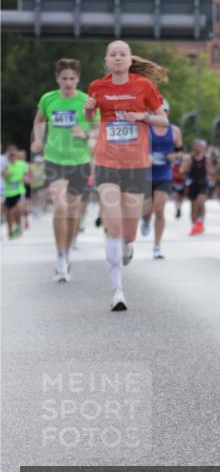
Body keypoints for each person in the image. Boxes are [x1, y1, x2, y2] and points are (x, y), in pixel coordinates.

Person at [85, 41, 168, 311]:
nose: (118, 58)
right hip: (106, 162)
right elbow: (90, 120)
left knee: (129, 234)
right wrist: (88, 109)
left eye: (123, 54)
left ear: (130, 60)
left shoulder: (144, 86)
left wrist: (142, 116)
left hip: (136, 164)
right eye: (113, 54)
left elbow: (163, 121)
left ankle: (127, 245)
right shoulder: (97, 87)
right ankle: (117, 291)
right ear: (107, 61)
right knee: (114, 226)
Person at [32, 58, 95, 281]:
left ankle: (67, 252)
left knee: (73, 211)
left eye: (72, 78)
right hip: (54, 159)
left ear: (78, 79)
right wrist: (37, 140)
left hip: (79, 160)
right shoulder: (48, 99)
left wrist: (84, 134)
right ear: (57, 79)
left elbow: (97, 131)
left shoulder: (86, 101)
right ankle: (60, 256)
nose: (68, 82)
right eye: (64, 78)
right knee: (60, 206)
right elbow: (39, 120)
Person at [140, 100, 183, 258]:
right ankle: (145, 221)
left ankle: (157, 247)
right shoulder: (145, 129)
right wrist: (146, 157)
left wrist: (174, 156)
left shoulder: (175, 131)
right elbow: (136, 149)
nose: (161, 113)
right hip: (146, 175)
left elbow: (180, 152)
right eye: (158, 110)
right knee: (146, 210)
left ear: (168, 112)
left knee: (159, 209)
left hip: (164, 174)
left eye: (164, 110)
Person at [180, 139, 212, 236]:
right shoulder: (189, 158)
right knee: (193, 207)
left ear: (202, 148)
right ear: (193, 147)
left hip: (202, 183)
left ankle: (200, 221)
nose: (197, 148)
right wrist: (185, 168)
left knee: (200, 202)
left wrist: (211, 177)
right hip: (192, 184)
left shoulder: (206, 158)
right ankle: (194, 225)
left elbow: (210, 170)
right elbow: (182, 170)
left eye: (199, 146)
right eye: (195, 146)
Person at [3, 145, 29, 239]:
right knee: (9, 212)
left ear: (17, 155)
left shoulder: (22, 164)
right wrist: (5, 173)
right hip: (9, 192)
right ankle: (10, 229)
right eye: (10, 155)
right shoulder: (5, 165)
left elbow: (28, 175)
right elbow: (4, 174)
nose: (12, 156)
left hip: (20, 191)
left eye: (14, 154)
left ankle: (18, 227)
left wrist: (26, 179)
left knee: (17, 209)